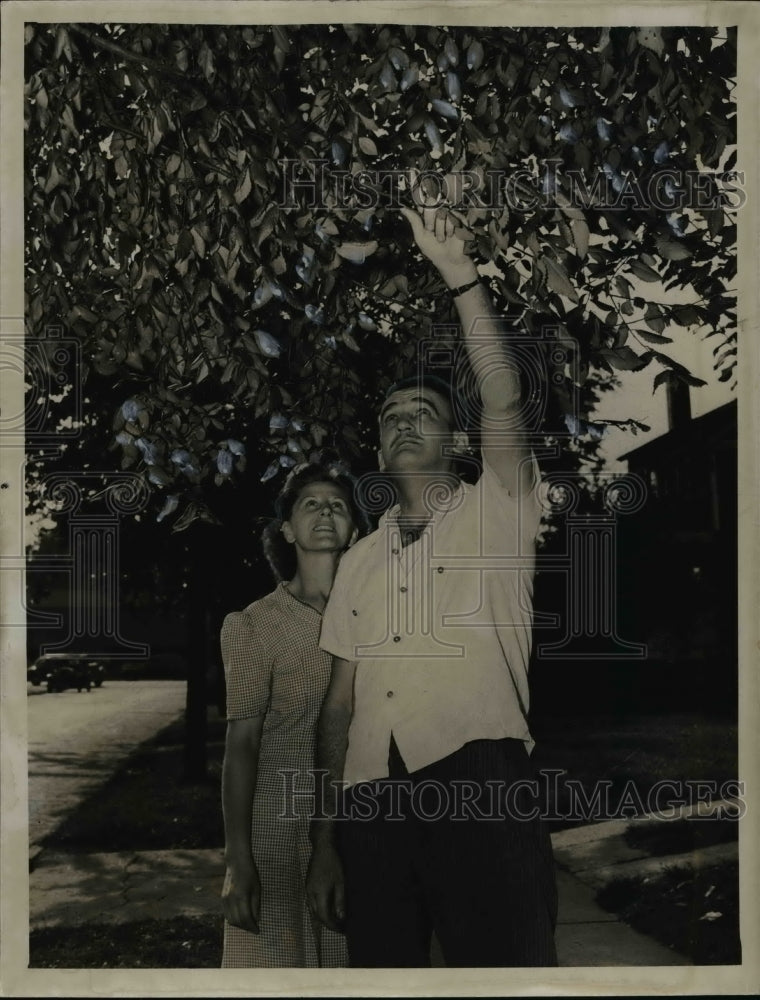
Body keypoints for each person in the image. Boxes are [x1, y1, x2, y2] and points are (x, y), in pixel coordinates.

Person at [305, 188, 558, 967]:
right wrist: (327, 842)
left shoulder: (500, 512)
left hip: (482, 779)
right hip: (370, 798)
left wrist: (460, 277)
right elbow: (337, 707)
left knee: (507, 976)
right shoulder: (356, 560)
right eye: (388, 417)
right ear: (379, 453)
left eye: (422, 411)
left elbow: (504, 396)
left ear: (456, 440)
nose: (402, 422)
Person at [220, 458, 367, 968]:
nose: (325, 512)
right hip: (274, 831)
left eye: (338, 505)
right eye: (310, 504)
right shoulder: (253, 625)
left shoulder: (378, 617)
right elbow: (242, 745)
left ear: (354, 528)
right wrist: (238, 860)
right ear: (286, 528)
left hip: (358, 822)